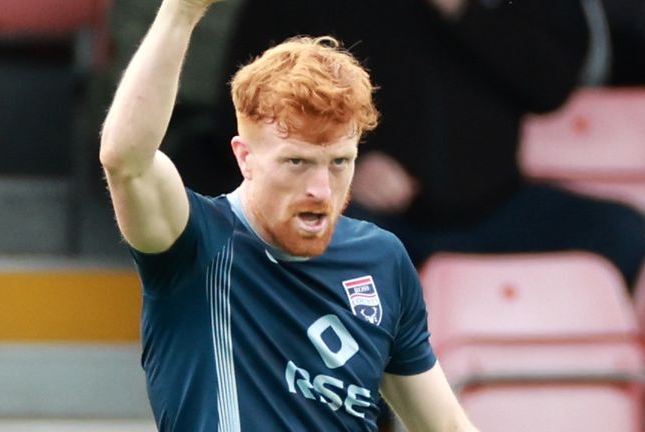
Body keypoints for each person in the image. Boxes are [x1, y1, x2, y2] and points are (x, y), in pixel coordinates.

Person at [99, 0, 479, 430]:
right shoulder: (193, 244)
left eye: (339, 162)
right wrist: (180, 14)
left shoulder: (382, 260)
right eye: (297, 162)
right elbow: (125, 161)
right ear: (245, 158)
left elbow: (444, 425)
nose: (321, 189)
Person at [208, 0, 645, 291]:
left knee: (620, 234)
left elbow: (551, 84)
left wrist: (465, 11)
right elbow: (253, 105)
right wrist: (339, 168)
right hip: (369, 217)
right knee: (319, 241)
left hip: (493, 211)